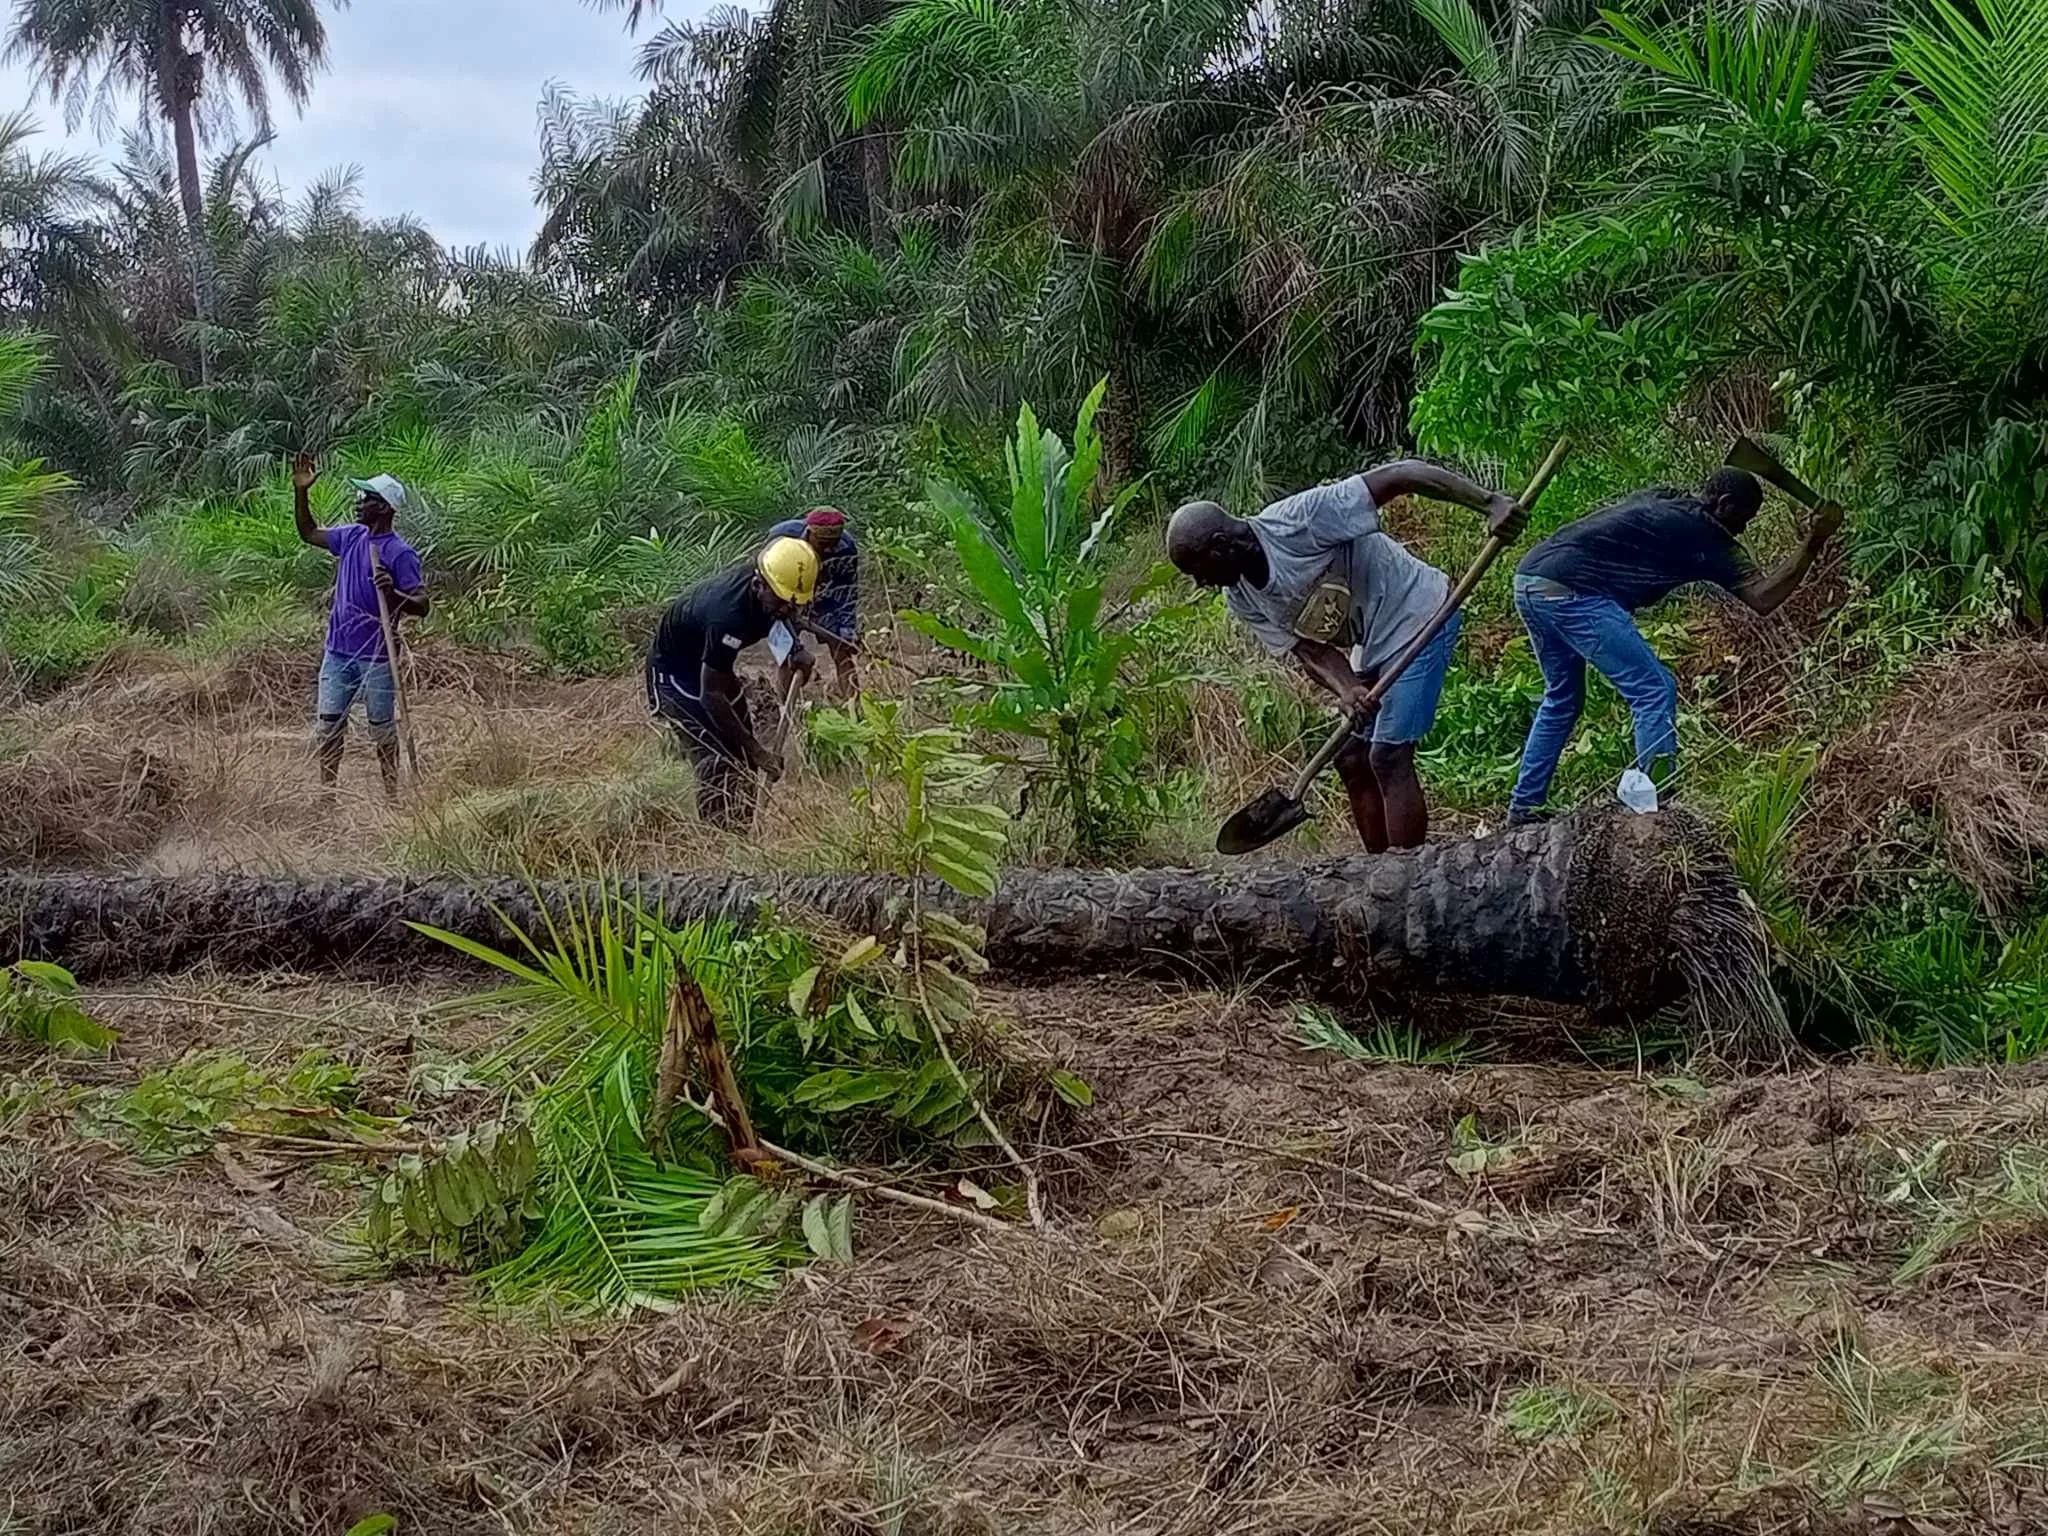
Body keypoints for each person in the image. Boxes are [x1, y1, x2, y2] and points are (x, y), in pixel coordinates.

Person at [1167, 461, 1524, 851]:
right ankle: (1374, 874)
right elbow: (1306, 647)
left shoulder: (1299, 522)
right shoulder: (1240, 598)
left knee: (1388, 757)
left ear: (1221, 545)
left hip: (1420, 615)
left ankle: (1408, 880)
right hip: (1370, 644)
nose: (1201, 584)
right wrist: (1348, 687)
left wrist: (1489, 503)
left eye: (1198, 571)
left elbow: (1402, 475)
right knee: (1352, 759)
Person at [1507, 468, 1841, 822]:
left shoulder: (1665, 497)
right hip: (1574, 593)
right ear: (1725, 505)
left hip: (1530, 579)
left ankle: (1524, 806)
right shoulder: (1704, 535)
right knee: (1654, 689)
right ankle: (1655, 812)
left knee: (1562, 698)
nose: (1741, 530)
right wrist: (1814, 542)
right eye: (1744, 520)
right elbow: (1763, 597)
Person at [646, 536, 819, 829]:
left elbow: (780, 620)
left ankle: (742, 826)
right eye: (782, 604)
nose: (787, 612)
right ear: (758, 584)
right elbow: (710, 695)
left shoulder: (774, 596)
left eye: (795, 606)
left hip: (712, 667)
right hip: (675, 675)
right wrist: (758, 750)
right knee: (715, 757)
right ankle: (718, 839)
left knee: (741, 750)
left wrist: (795, 650)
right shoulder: (728, 617)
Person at [291, 453, 428, 798]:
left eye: (367, 499)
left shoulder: (400, 553)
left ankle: (391, 796)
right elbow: (308, 532)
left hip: (378, 658)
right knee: (329, 728)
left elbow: (422, 605)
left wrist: (393, 595)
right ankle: (327, 796)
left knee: (382, 732)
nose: (359, 503)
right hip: (338, 653)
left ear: (383, 508)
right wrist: (301, 492)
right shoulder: (351, 537)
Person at [766, 507, 860, 699]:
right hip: (789, 599)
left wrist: (846, 628)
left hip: (825, 599)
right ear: (808, 533)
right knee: (788, 656)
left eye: (833, 544)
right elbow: (768, 573)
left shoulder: (847, 547)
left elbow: (846, 591)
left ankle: (856, 710)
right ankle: (786, 708)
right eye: (823, 543)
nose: (828, 550)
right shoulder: (782, 537)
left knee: (843, 651)